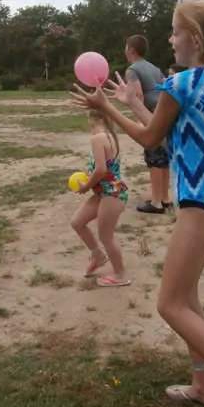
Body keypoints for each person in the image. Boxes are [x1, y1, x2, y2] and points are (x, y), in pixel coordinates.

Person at [70, 0, 204, 407]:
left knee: (169, 304)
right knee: (188, 297)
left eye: (175, 31)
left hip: (201, 204)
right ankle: (202, 387)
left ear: (194, 39)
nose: (170, 38)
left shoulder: (181, 82)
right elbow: (162, 128)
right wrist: (130, 101)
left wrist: (106, 108)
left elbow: (147, 137)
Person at [69, 110, 130, 287]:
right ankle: (98, 255)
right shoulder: (110, 135)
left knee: (106, 236)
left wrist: (85, 186)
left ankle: (120, 275)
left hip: (112, 193)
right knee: (77, 222)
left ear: (91, 120)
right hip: (103, 192)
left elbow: (101, 169)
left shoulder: (98, 138)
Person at [124, 35, 171, 215]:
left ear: (131, 50)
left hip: (150, 113)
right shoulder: (154, 67)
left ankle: (156, 202)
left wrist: (140, 119)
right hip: (164, 112)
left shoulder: (132, 70)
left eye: (126, 47)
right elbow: (166, 86)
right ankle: (166, 198)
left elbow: (138, 94)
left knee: (153, 158)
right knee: (165, 156)